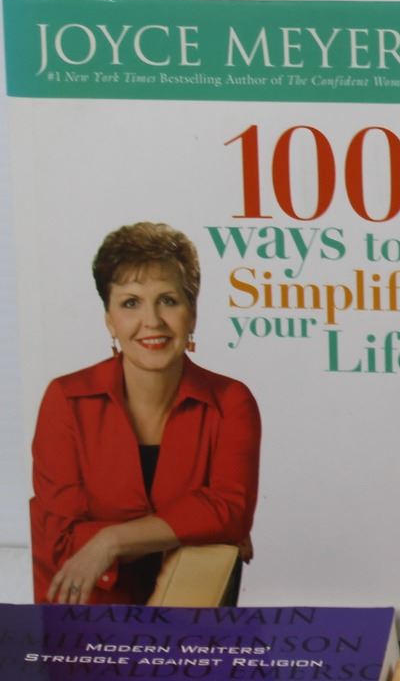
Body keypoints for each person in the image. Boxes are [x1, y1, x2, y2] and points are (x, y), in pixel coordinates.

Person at [29, 222, 261, 605]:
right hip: (83, 611)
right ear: (110, 319)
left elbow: (231, 511)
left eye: (168, 300)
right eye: (130, 303)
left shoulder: (231, 402)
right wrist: (195, 527)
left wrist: (110, 540)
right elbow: (60, 539)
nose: (152, 320)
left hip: (191, 615)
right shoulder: (66, 400)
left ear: (192, 314)